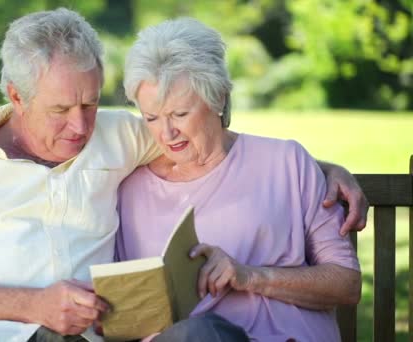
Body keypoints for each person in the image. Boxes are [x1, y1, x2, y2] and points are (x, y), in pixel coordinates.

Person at [0, 8, 366, 342]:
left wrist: (322, 169)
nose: (80, 126)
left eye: (91, 103)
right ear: (16, 97)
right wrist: (31, 305)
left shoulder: (117, 136)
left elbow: (205, 138)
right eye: (60, 109)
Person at [117, 18, 362, 342]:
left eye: (179, 114)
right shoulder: (129, 191)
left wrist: (250, 277)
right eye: (151, 118)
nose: (166, 132)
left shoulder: (286, 163)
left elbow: (346, 284)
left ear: (217, 98)